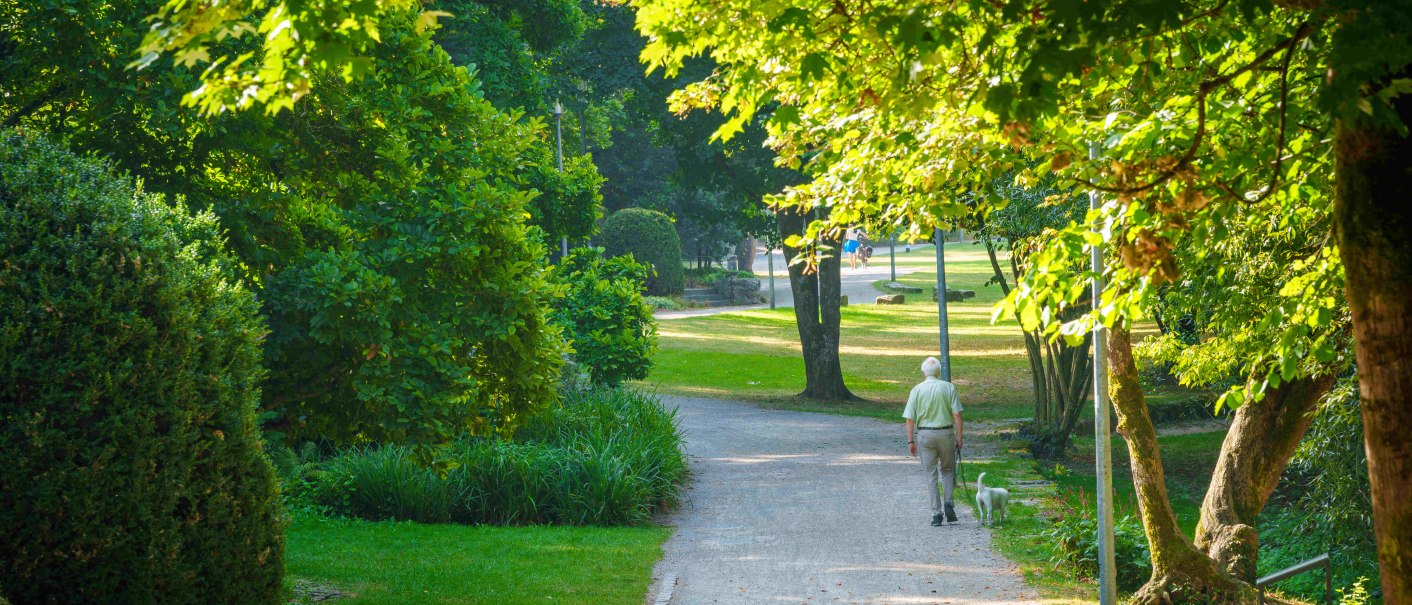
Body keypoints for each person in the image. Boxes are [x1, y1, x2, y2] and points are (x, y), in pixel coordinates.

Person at [904, 356, 964, 526]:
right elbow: (957, 415)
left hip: (925, 435)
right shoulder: (949, 388)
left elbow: (909, 419)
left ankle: (936, 514)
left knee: (931, 475)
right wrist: (959, 437)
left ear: (924, 371)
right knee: (947, 471)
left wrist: (910, 441)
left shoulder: (916, 390)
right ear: (939, 371)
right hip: (946, 433)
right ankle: (949, 504)